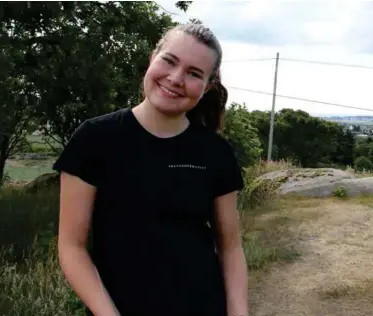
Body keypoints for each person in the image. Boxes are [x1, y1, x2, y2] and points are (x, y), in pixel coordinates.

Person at [53, 23, 248, 316]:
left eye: (194, 73)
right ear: (152, 58)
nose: (176, 78)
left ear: (206, 87)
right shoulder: (94, 138)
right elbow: (71, 247)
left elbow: (231, 249)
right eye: (169, 61)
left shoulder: (216, 152)